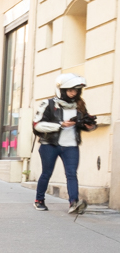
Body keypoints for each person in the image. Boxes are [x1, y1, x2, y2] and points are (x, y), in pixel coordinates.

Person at [32, 73, 98, 213]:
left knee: (71, 174)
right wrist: (61, 125)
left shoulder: (80, 105)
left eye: (76, 90)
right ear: (61, 90)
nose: (73, 93)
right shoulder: (48, 104)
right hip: (50, 144)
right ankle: (39, 200)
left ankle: (73, 203)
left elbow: (84, 123)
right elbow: (37, 125)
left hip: (71, 146)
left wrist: (89, 126)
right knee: (47, 173)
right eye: (70, 90)